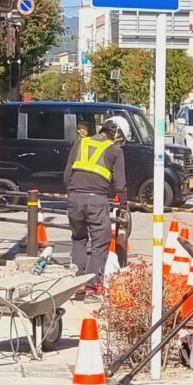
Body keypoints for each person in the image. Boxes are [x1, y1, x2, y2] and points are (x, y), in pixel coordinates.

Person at [64, 115, 131, 279]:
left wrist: (74, 194)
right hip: (97, 199)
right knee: (100, 243)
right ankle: (92, 286)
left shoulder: (81, 143)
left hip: (74, 197)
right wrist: (123, 207)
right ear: (117, 133)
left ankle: (77, 280)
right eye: (121, 138)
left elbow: (67, 176)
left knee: (78, 238)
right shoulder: (115, 151)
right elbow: (120, 185)